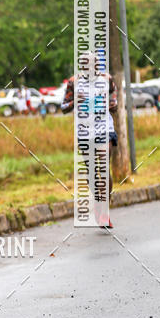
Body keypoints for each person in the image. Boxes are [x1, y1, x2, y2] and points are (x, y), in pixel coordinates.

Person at [62, 56, 117, 228]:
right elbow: (63, 107)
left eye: (94, 65)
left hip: (104, 129)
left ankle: (104, 211)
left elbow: (114, 102)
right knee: (92, 172)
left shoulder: (107, 79)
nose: (91, 69)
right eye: (86, 66)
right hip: (85, 132)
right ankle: (98, 203)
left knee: (104, 167)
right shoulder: (73, 83)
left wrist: (107, 105)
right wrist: (75, 102)